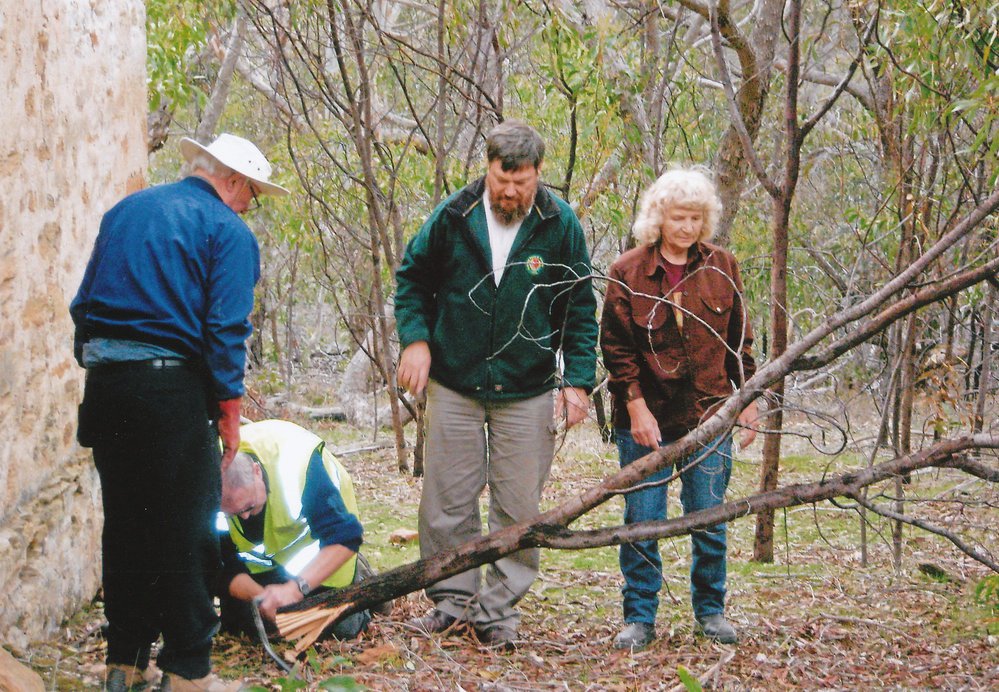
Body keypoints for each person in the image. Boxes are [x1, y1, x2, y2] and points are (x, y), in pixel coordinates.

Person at [71, 133, 289, 692]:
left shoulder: (125, 211)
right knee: (186, 532)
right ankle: (189, 671)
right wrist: (229, 411)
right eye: (251, 194)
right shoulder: (227, 232)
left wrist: (108, 368)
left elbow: (83, 305)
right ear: (233, 181)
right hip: (171, 393)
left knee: (127, 526)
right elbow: (225, 331)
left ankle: (124, 661)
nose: (248, 205)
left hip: (108, 388)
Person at [394, 120, 598, 649]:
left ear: (537, 175)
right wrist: (415, 339)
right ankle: (451, 600)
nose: (509, 191)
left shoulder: (560, 224)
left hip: (527, 387)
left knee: (518, 505)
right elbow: (411, 279)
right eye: (500, 179)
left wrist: (577, 381)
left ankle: (499, 610)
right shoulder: (454, 215)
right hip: (456, 381)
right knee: (448, 500)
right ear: (487, 169)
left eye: (521, 181)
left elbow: (579, 309)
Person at [600, 166, 758, 650]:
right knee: (642, 519)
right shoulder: (627, 271)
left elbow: (740, 342)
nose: (685, 228)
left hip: (710, 415)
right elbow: (617, 350)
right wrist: (636, 407)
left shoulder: (722, 266)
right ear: (659, 219)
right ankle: (639, 618)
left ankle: (711, 611)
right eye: (677, 218)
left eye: (694, 218)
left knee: (707, 517)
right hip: (645, 421)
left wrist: (747, 402)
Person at [217, 419, 386, 641]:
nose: (245, 517)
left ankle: (361, 578)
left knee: (338, 629)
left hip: (320, 559)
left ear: (256, 471)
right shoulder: (206, 475)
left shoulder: (297, 464)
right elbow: (220, 563)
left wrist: (296, 588)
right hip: (260, 570)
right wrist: (262, 598)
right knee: (252, 630)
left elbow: (345, 536)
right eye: (233, 513)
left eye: (249, 506)